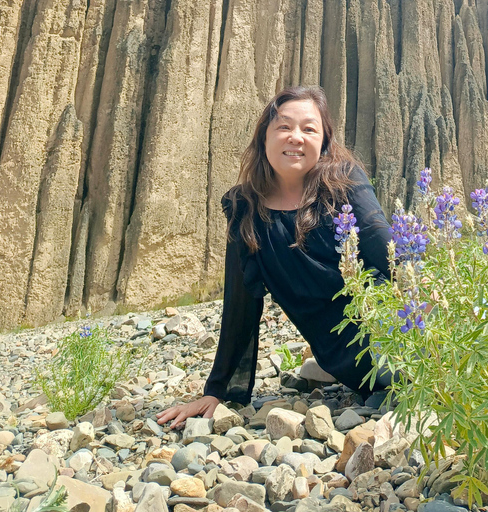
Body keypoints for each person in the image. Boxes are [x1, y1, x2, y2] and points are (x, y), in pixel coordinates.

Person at [157, 86, 393, 430]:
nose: (296, 137)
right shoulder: (245, 210)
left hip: (399, 332)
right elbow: (241, 305)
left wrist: (436, 301)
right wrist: (219, 391)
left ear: (324, 140)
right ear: (263, 138)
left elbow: (388, 249)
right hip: (357, 362)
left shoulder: (345, 182)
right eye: (283, 126)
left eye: (309, 129)